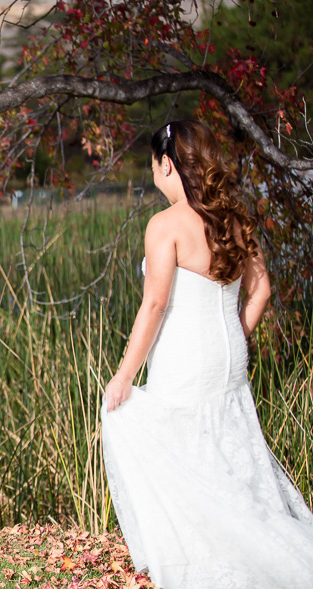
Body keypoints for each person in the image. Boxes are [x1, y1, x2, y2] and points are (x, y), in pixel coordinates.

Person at [101, 119, 313, 588]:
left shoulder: (165, 225)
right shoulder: (235, 219)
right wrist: (234, 338)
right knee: (226, 450)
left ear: (168, 164)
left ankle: (205, 555)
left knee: (155, 431)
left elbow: (154, 305)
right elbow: (261, 293)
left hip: (184, 360)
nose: (154, 172)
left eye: (155, 163)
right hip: (229, 358)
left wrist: (122, 376)